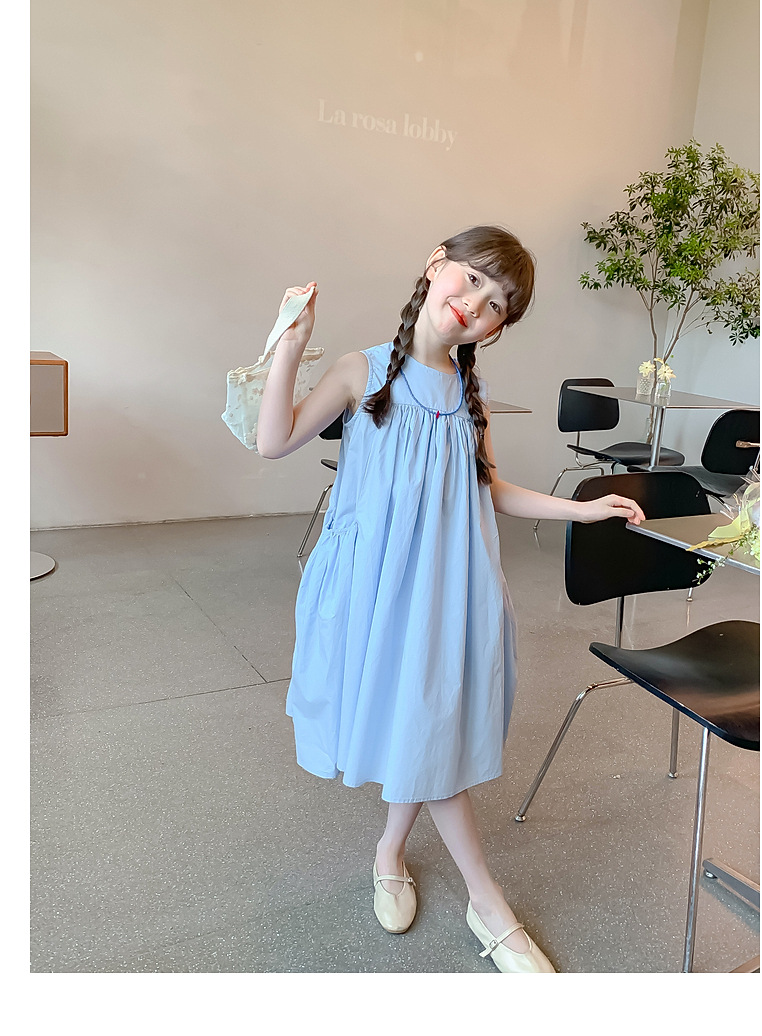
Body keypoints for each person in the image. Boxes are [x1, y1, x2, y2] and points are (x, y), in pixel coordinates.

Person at [257, 225, 645, 973]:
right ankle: (485, 900)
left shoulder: (472, 396)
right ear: (437, 266)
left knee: (425, 728)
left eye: (496, 304)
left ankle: (390, 852)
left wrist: (583, 508)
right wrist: (290, 345)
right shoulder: (362, 370)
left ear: (498, 328)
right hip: (375, 589)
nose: (476, 304)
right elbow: (275, 440)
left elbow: (489, 489)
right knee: (422, 730)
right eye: (471, 280)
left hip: (445, 587)